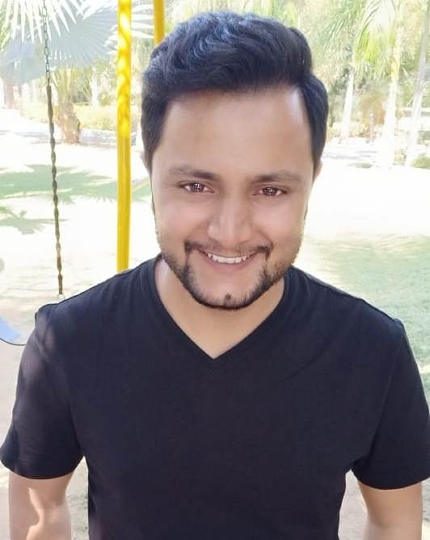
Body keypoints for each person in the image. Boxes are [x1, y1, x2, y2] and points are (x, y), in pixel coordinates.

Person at [1, 10, 429, 540]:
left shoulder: (371, 352)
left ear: (312, 180)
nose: (230, 231)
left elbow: (393, 522)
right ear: (150, 169)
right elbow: (40, 509)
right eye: (196, 186)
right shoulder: (68, 342)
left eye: (270, 190)